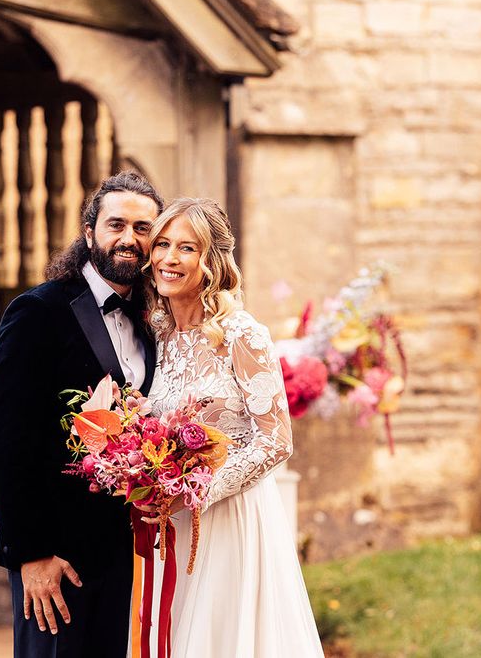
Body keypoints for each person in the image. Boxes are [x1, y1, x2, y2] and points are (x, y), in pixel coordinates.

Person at [0, 171, 163, 658]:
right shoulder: (38, 312)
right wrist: (31, 553)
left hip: (125, 556)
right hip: (55, 558)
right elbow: (5, 443)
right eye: (116, 225)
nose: (129, 239)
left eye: (143, 229)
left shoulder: (153, 323)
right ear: (89, 233)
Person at [141, 197, 324, 656]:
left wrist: (199, 491)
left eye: (187, 248)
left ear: (212, 260)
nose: (169, 258)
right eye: (162, 244)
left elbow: (276, 440)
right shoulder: (153, 333)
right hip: (167, 524)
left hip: (228, 518)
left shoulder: (242, 334)